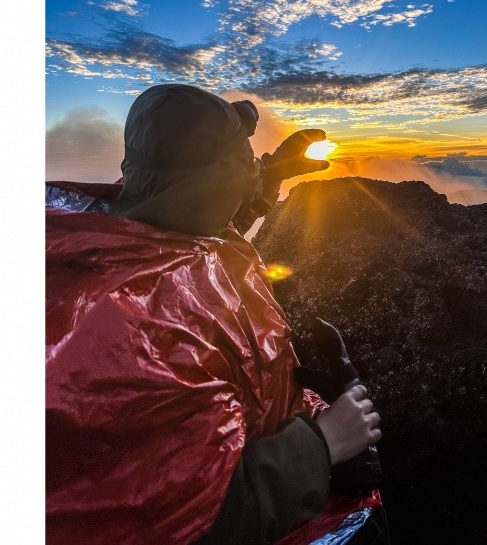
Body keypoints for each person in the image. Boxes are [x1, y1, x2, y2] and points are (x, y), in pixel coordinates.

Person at [46, 83, 386, 543]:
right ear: (204, 185)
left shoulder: (140, 229)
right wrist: (323, 445)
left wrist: (272, 176)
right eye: (241, 163)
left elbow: (195, 229)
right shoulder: (131, 324)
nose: (251, 173)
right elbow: (188, 520)